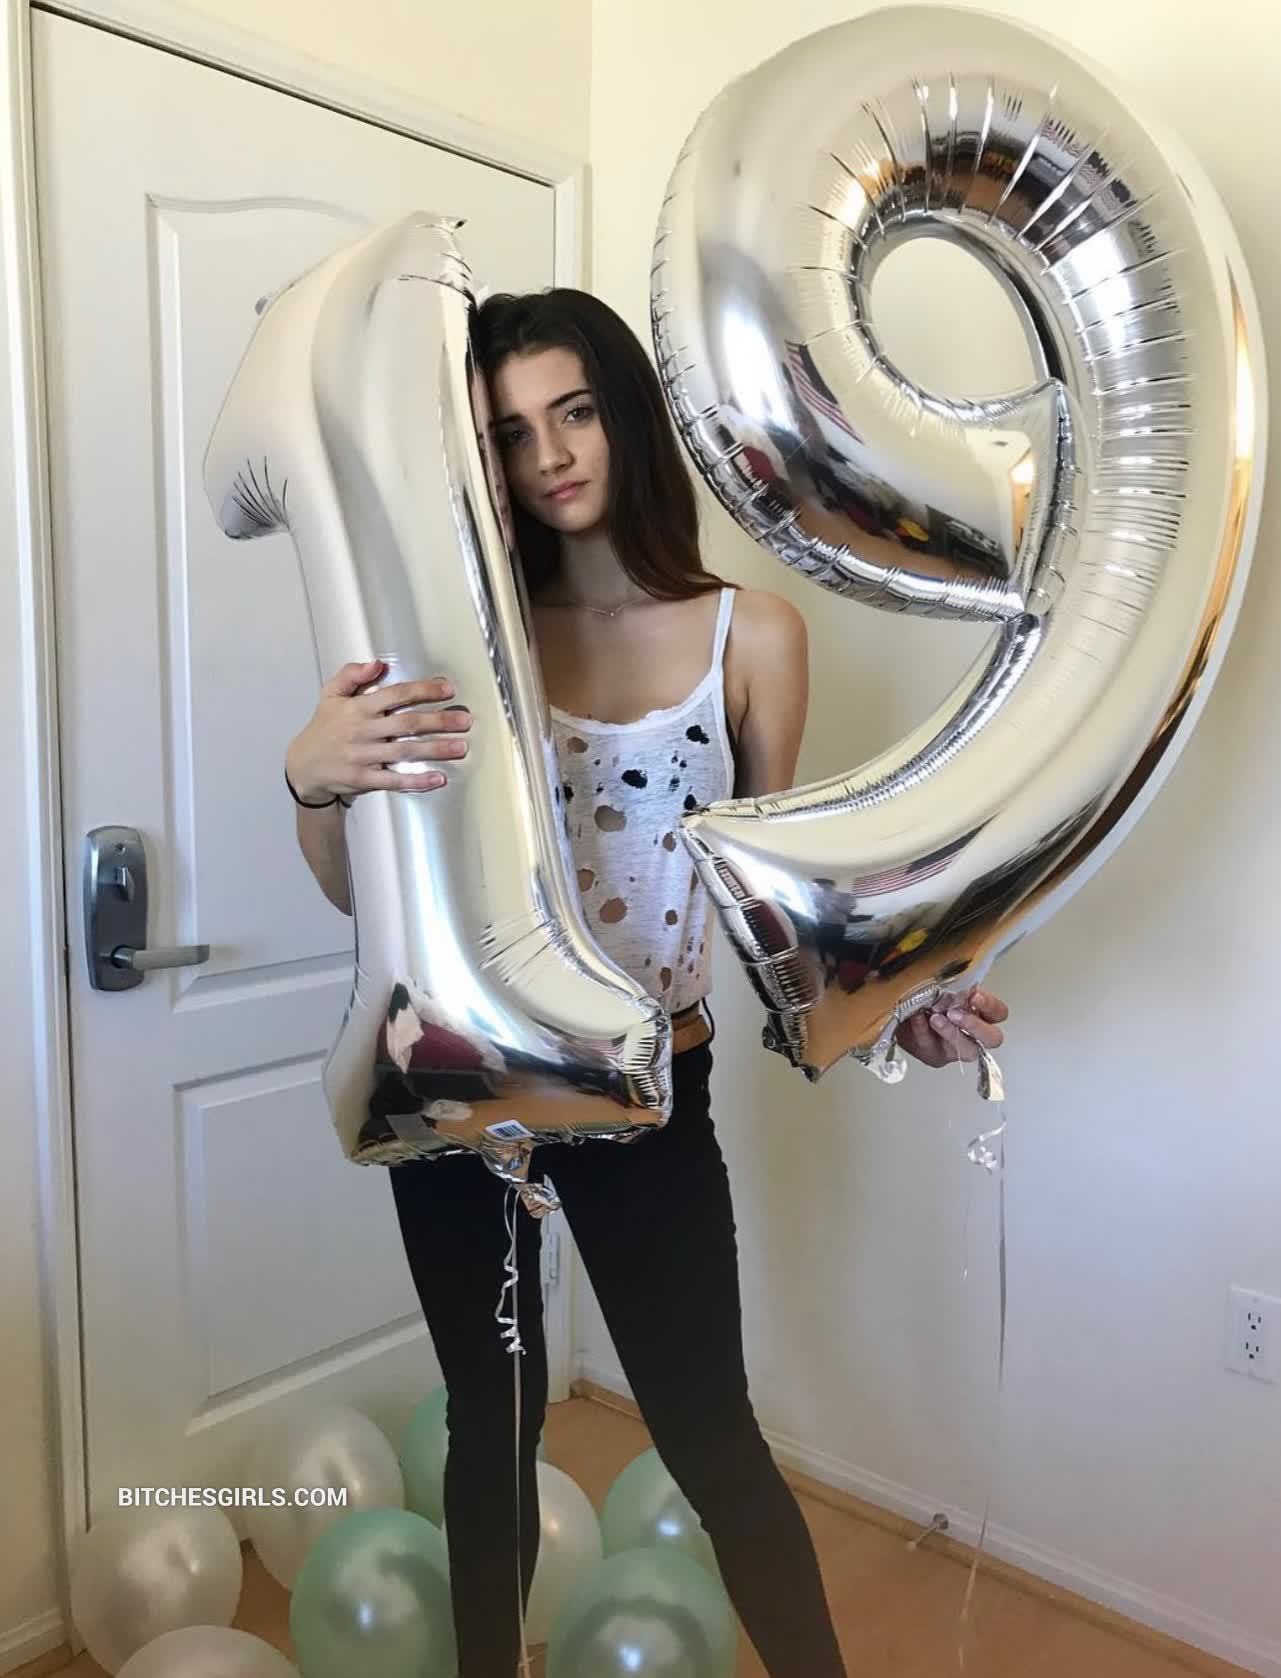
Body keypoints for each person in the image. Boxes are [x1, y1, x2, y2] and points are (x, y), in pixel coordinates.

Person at [282, 288, 1009, 1677]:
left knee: (711, 1437)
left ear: (622, 414)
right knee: (491, 1432)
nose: (549, 453)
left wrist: (901, 1011)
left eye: (574, 411)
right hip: (471, 1088)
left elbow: (773, 912)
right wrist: (314, 778)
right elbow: (356, 889)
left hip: (651, 1088)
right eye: (510, 432)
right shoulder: (459, 638)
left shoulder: (755, 638)